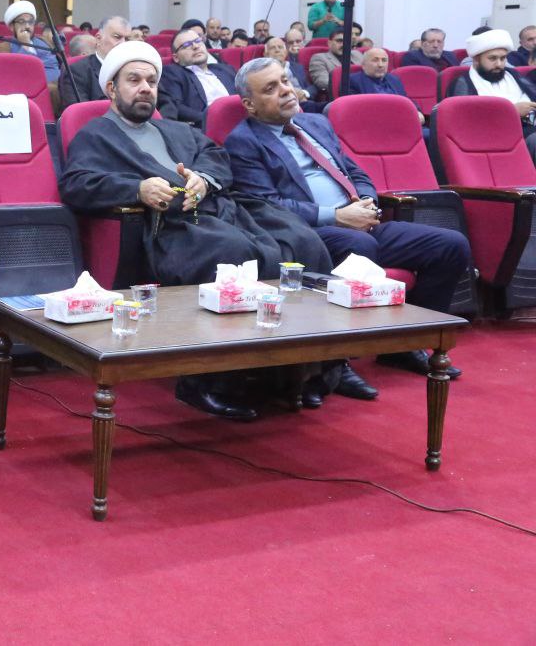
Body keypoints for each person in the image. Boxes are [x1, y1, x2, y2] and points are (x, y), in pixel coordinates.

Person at [59, 41, 335, 420]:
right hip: (170, 226)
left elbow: (215, 156)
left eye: (151, 81)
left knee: (303, 241)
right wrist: (137, 189)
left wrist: (203, 180)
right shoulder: (95, 135)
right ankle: (211, 381)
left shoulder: (175, 128)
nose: (145, 88)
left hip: (221, 209)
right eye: (134, 80)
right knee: (233, 255)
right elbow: (76, 184)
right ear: (111, 88)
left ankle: (308, 371)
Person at [224, 57, 469, 381]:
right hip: (309, 235)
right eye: (271, 88)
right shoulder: (243, 141)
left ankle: (407, 343)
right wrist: (337, 216)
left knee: (451, 245)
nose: (285, 90)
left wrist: (366, 201)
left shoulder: (315, 123)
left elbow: (354, 170)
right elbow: (266, 205)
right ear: (250, 105)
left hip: (359, 222)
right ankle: (335, 364)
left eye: (284, 80)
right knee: (359, 245)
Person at [444, 28, 536, 159]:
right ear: (476, 59)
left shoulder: (513, 75)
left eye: (503, 58)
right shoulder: (463, 83)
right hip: (494, 137)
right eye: (492, 58)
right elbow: (463, 122)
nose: (499, 64)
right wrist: (511, 112)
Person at [158, 26, 236, 126]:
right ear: (176, 58)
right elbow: (176, 106)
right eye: (186, 45)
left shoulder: (225, 69)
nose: (195, 46)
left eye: (198, 41)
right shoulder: (172, 72)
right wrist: (214, 120)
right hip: (206, 127)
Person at [57, 15, 130, 107]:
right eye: (117, 37)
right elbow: (81, 111)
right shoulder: (77, 71)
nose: (123, 43)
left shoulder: (137, 69)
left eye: (127, 39)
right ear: (98, 39)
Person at [347, 48, 425, 124]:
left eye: (384, 60)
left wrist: (416, 111)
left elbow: (405, 98)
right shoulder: (353, 81)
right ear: (364, 64)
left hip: (400, 121)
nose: (380, 65)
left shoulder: (394, 79)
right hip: (374, 123)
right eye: (375, 60)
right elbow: (357, 110)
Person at [3, 0, 60, 82]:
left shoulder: (43, 45)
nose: (27, 26)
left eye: (30, 22)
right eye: (21, 22)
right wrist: (25, 45)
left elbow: (53, 73)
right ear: (12, 26)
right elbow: (12, 76)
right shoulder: (3, 48)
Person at [263, 35, 319, 112]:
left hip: (305, 103)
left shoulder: (297, 67)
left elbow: (312, 87)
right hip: (282, 106)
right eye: (273, 48)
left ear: (286, 52)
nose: (277, 50)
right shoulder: (263, 71)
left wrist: (304, 93)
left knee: (330, 107)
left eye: (280, 47)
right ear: (265, 54)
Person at [307, 28, 363, 97]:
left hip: (363, 93)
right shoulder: (319, 58)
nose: (343, 44)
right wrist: (353, 87)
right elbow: (323, 82)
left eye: (347, 41)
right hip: (339, 97)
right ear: (329, 43)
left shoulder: (357, 54)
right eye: (339, 41)